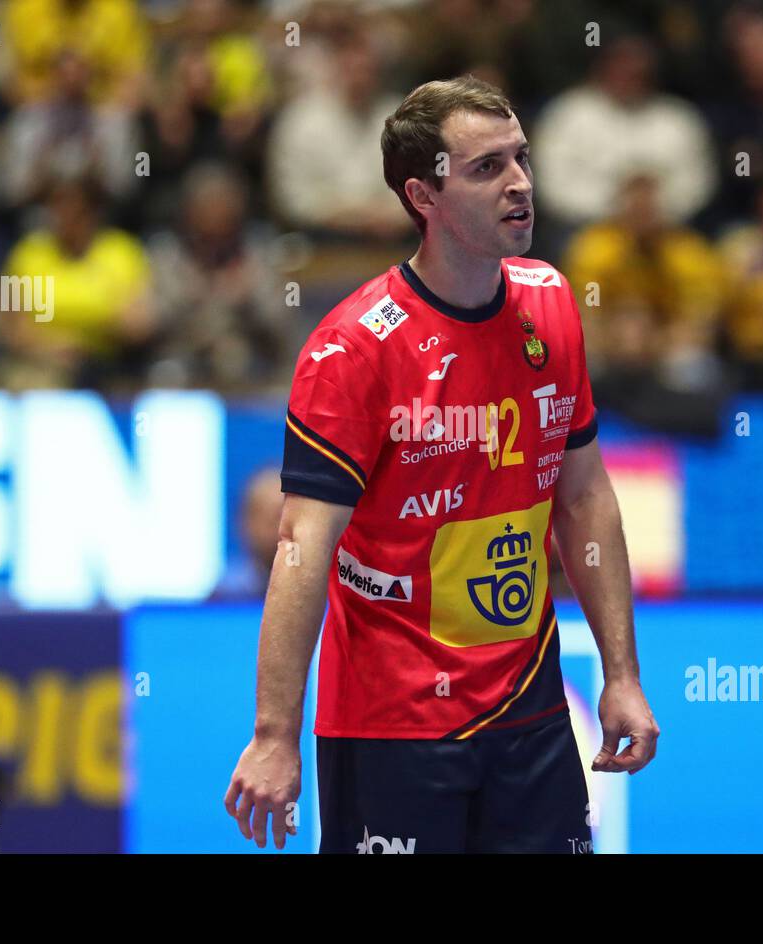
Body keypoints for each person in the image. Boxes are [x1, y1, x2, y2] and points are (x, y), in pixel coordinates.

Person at [225, 75, 658, 854]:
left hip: (529, 713)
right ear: (424, 195)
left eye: (521, 158)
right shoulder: (353, 348)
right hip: (393, 723)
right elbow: (301, 548)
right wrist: (273, 736)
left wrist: (621, 676)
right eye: (488, 168)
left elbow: (585, 500)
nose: (521, 182)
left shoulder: (551, 304)